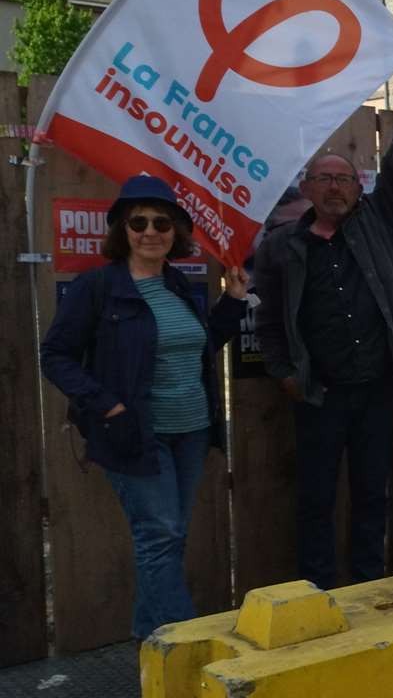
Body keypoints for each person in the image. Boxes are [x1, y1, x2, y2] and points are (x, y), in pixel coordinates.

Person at [254, 46, 393, 590]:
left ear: (358, 189)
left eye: (344, 178)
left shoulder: (379, 221)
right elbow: (269, 323)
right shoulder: (282, 248)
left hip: (377, 392)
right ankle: (315, 592)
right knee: (314, 499)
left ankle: (366, 588)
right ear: (308, 189)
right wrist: (284, 372)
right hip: (318, 394)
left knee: (371, 495)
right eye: (324, 178)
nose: (335, 186)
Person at [41, 176, 250, 637]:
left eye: (162, 222)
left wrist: (233, 303)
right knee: (160, 536)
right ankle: (186, 645)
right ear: (123, 230)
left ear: (176, 231)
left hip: (191, 431)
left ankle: (147, 638)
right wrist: (107, 405)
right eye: (139, 222)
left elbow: (200, 346)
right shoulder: (95, 287)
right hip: (136, 434)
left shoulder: (178, 285)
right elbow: (54, 356)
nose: (151, 231)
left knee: (167, 538)